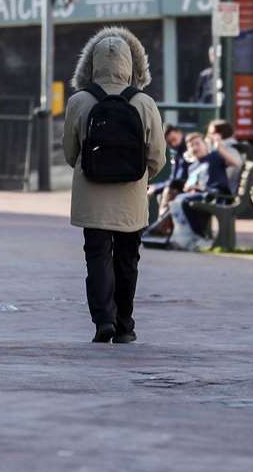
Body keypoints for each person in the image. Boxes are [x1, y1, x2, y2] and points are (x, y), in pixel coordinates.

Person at [62, 26, 165, 345]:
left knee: (96, 257)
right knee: (127, 258)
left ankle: (102, 321)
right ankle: (125, 324)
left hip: (91, 195)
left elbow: (69, 152)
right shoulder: (143, 102)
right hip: (131, 195)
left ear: (91, 65)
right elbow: (158, 155)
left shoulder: (79, 100)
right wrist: (140, 177)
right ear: (132, 65)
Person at [168, 131, 242, 251]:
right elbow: (192, 185)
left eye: (197, 144)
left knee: (185, 201)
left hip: (217, 194)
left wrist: (220, 148)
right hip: (201, 193)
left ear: (205, 144)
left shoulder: (214, 157)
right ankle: (185, 238)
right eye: (191, 146)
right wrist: (190, 187)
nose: (194, 147)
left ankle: (200, 236)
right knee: (178, 200)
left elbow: (236, 163)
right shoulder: (192, 166)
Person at [149, 124, 188, 217]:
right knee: (160, 194)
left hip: (187, 187)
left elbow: (179, 179)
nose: (173, 144)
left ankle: (161, 225)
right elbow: (174, 178)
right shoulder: (177, 153)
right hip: (180, 186)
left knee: (167, 192)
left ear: (179, 133)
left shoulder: (186, 150)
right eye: (170, 143)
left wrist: (157, 187)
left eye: (174, 139)